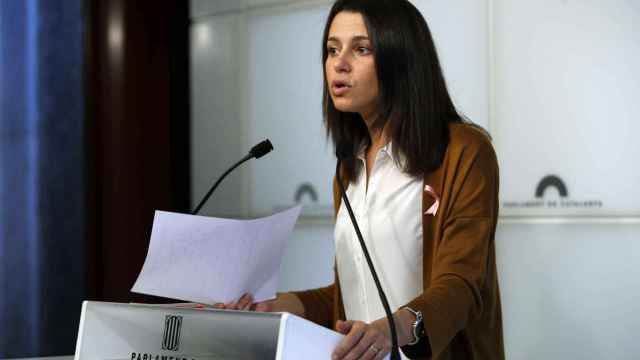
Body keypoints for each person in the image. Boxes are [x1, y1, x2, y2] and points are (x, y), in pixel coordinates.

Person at [219, 0, 504, 359]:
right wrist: (277, 306)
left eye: (361, 49)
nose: (339, 63)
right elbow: (352, 295)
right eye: (332, 49)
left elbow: (463, 283)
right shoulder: (348, 169)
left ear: (401, 59)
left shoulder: (463, 151)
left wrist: (390, 330)